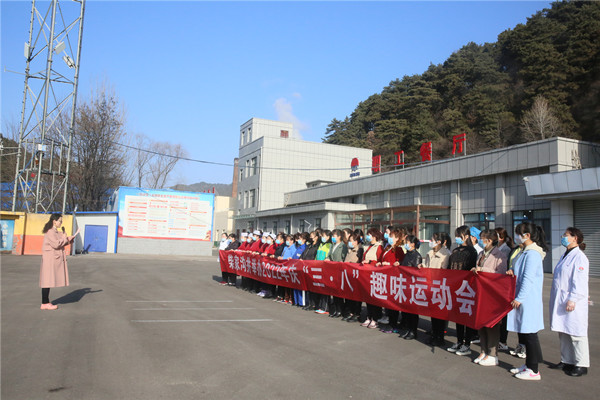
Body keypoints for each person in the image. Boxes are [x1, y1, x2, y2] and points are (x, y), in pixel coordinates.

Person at [507, 222, 547, 381]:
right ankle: (528, 365)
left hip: (528, 299)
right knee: (526, 333)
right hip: (523, 298)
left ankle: (534, 370)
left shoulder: (532, 254)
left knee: (530, 334)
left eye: (518, 233)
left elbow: (528, 279)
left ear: (527, 235)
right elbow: (520, 272)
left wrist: (520, 298)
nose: (516, 237)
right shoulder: (524, 252)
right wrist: (512, 271)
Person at [549, 227, 590, 377]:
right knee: (563, 332)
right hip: (561, 300)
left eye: (566, 235)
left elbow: (579, 281)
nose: (563, 237)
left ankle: (581, 364)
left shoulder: (579, 257)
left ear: (575, 238)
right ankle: (567, 360)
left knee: (576, 334)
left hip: (573, 302)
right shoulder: (565, 255)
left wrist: (573, 299)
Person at [471, 230, 508, 366]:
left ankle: (493, 354)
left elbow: (501, 274)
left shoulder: (500, 255)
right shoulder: (481, 253)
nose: (480, 240)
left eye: (482, 238)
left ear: (490, 240)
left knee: (492, 324)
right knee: (481, 323)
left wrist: (483, 271)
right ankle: (483, 350)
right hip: (481, 292)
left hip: (492, 294)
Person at [447, 225, 479, 356]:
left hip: (467, 287)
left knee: (467, 316)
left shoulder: (472, 251)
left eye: (459, 236)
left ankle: (467, 343)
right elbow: (449, 267)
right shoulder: (455, 250)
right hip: (456, 286)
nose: (457, 238)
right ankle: (459, 341)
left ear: (466, 236)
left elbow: (470, 269)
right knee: (458, 316)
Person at [39, 214, 79, 310]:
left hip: (51, 259)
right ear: (54, 221)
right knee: (46, 281)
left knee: (47, 281)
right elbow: (56, 244)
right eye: (60, 221)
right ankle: (44, 303)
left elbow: (61, 242)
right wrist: (65, 238)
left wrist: (69, 239)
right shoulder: (50, 231)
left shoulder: (55, 231)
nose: (61, 223)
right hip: (50, 259)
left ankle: (45, 302)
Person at [423, 232, 451, 346]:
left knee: (440, 314)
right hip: (430, 285)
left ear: (439, 241)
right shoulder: (430, 253)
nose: (431, 242)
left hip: (439, 287)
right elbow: (427, 267)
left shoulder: (446, 254)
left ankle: (440, 337)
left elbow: (445, 271)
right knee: (433, 313)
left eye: (433, 240)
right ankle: (434, 334)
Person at [379, 228, 405, 333]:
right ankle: (390, 322)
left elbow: (399, 263)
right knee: (388, 303)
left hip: (393, 279)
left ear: (397, 238)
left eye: (391, 236)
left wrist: (389, 264)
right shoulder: (388, 248)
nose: (389, 238)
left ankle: (393, 325)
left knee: (393, 304)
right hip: (386, 278)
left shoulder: (399, 249)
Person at [398, 235, 422, 340]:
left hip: (412, 286)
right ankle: (408, 329)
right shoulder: (407, 254)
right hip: (404, 284)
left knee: (413, 311)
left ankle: (413, 331)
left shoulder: (417, 256)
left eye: (407, 242)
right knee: (406, 310)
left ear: (412, 244)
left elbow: (415, 272)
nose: (405, 244)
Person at [495, 227, 515, 351]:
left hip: (503, 284)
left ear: (501, 238)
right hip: (495, 285)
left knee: (503, 315)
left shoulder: (506, 250)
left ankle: (503, 340)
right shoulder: (496, 249)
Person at [361, 228, 384, 328]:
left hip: (374, 275)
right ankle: (369, 316)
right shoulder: (369, 246)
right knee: (368, 298)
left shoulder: (379, 247)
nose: (367, 236)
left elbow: (379, 261)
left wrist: (370, 262)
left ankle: (375, 318)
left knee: (374, 299)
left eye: (369, 235)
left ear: (374, 236)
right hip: (367, 275)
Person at [342, 233, 364, 322]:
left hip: (355, 274)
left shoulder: (359, 249)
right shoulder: (350, 249)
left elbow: (358, 262)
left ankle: (357, 313)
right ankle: (351, 312)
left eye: (351, 241)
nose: (349, 242)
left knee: (356, 296)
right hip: (348, 274)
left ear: (356, 241)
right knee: (349, 295)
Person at [327, 229, 348, 318]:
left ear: (339, 236)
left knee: (339, 292)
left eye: (334, 236)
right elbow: (329, 255)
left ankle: (340, 310)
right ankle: (335, 309)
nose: (333, 238)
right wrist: (328, 258)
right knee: (334, 291)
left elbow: (343, 258)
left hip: (339, 271)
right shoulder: (332, 245)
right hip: (332, 270)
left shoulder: (343, 246)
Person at [301, 230, 321, 311]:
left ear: (316, 237)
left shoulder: (317, 246)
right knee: (308, 287)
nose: (311, 238)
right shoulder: (309, 246)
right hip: (306, 267)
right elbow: (304, 254)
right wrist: (301, 258)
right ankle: (309, 303)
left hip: (313, 267)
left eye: (312, 236)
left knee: (314, 287)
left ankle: (314, 304)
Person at [314, 230, 332, 314]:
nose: (322, 237)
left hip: (325, 268)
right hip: (318, 268)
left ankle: (325, 308)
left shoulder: (329, 245)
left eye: (324, 236)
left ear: (328, 237)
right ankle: (320, 306)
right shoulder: (321, 244)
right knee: (320, 288)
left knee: (325, 289)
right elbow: (317, 256)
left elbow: (328, 256)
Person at [292, 232, 308, 307]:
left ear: (304, 239)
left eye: (300, 238)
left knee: (301, 286)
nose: (299, 240)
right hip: (295, 267)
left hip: (300, 268)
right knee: (295, 285)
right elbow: (294, 256)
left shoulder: (305, 248)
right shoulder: (299, 247)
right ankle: (296, 301)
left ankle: (302, 302)